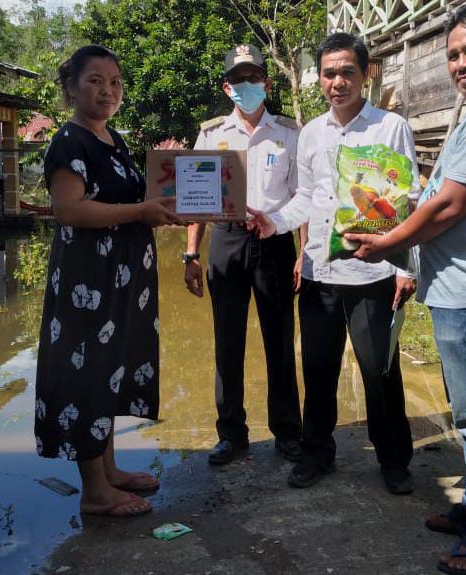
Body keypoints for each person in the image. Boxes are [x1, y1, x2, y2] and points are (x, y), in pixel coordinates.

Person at [344, 2, 466, 573]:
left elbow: (449, 205)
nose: (459, 63)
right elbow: (436, 191)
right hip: (460, 286)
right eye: (452, 54)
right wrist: (398, 212)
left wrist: (387, 242)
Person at [247, 33, 419, 495]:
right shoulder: (311, 134)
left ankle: (393, 460)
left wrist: (406, 267)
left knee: (379, 371)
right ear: (318, 80)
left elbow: (408, 203)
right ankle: (316, 452)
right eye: (329, 73)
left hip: (373, 272)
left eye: (347, 71)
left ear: (366, 74)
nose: (337, 82)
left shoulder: (390, 128)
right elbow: (306, 198)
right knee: (318, 369)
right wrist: (274, 223)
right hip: (321, 272)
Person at [34, 45, 182, 518]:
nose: (107, 90)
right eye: (95, 80)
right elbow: (69, 209)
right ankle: (95, 492)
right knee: (86, 376)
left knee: (110, 372)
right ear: (72, 87)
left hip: (121, 282)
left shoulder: (111, 138)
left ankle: (110, 471)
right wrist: (142, 210)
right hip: (88, 286)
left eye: (115, 82)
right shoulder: (69, 142)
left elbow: (139, 196)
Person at [183, 44, 303, 465]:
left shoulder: (289, 133)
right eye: (238, 79)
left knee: (280, 341)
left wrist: (303, 257)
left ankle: (288, 431)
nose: (247, 85)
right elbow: (196, 197)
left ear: (267, 83)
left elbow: (301, 198)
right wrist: (191, 254)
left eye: (254, 78)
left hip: (275, 243)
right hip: (226, 241)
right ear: (226, 87)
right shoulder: (211, 134)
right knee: (227, 341)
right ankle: (231, 434)